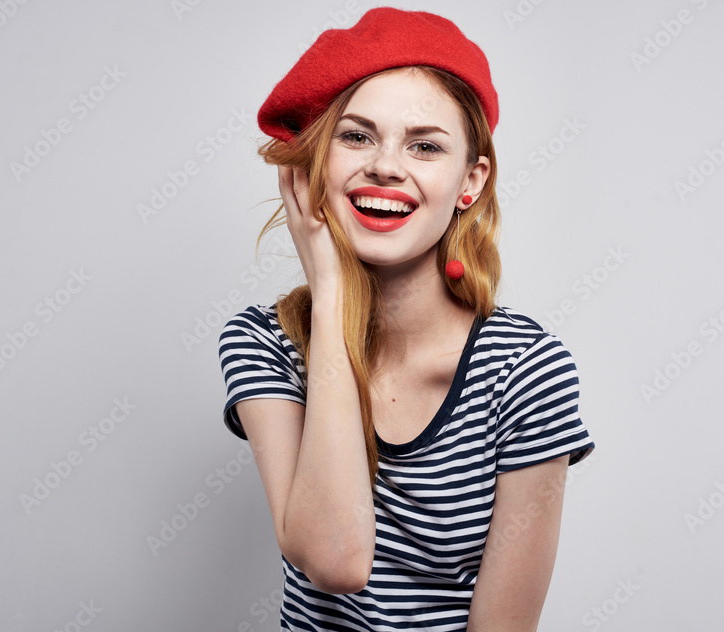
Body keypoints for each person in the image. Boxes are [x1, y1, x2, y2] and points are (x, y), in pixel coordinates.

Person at [217, 7, 596, 631]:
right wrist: (331, 293)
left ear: (470, 182)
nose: (387, 167)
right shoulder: (265, 343)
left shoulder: (526, 370)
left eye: (425, 146)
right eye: (356, 137)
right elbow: (336, 561)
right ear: (314, 167)